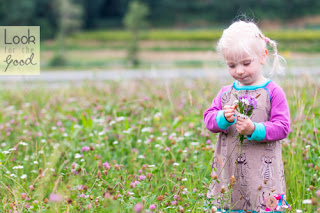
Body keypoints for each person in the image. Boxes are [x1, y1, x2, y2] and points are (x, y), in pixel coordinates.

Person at [203, 20, 291, 212]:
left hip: (263, 175)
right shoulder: (225, 93)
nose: (239, 71)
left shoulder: (272, 92)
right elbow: (208, 119)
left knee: (263, 205)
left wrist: (255, 129)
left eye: (245, 63)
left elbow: (283, 127)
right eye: (231, 65)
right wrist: (222, 118)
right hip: (229, 174)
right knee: (229, 204)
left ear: (263, 56)